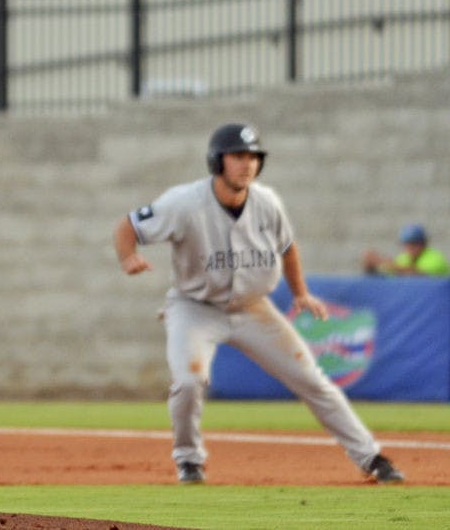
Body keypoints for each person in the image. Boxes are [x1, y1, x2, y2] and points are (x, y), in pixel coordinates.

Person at [112, 123, 405, 485]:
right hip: (195, 308)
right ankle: (189, 461)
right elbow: (127, 226)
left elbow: (288, 247)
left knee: (312, 379)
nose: (247, 164)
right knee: (189, 381)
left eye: (253, 157)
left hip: (253, 308)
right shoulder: (184, 203)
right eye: (238, 156)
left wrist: (300, 293)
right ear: (217, 162)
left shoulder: (266, 202)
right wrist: (128, 257)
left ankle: (371, 457)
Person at [361, 223, 450, 276]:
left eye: (414, 243)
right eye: (407, 243)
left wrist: (385, 262)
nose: (410, 247)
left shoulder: (435, 257)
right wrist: (371, 267)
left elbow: (418, 275)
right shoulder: (403, 258)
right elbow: (388, 278)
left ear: (423, 243)